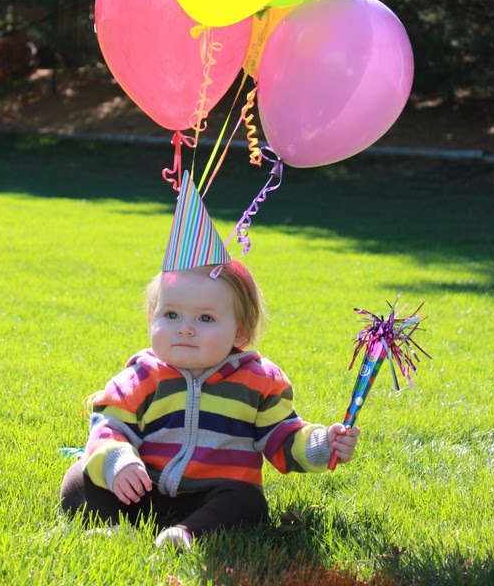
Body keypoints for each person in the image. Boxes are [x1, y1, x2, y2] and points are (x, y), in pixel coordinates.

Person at [60, 174, 360, 549]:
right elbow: (108, 426)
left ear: (240, 332)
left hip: (211, 496)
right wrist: (118, 461)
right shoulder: (141, 376)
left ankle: (185, 533)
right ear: (152, 318)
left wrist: (322, 443)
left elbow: (283, 437)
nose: (185, 328)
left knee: (247, 501)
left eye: (205, 318)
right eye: (171, 315)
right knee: (79, 477)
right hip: (143, 489)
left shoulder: (258, 381)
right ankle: (118, 528)